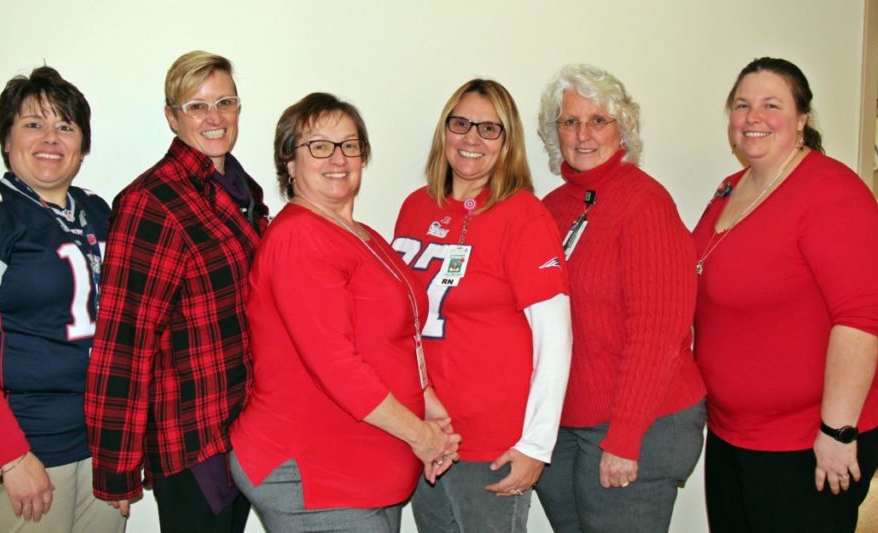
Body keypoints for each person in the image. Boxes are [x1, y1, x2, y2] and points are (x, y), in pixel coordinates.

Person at [228, 92, 460, 533]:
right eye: (318, 146)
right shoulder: (299, 239)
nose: (337, 158)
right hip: (313, 473)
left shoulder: (362, 234)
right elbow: (337, 366)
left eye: (349, 145)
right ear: (290, 164)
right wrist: (419, 436)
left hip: (364, 469)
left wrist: (428, 405)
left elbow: (397, 335)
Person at [692, 57, 878, 532]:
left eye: (771, 104)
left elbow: (861, 319)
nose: (753, 117)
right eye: (742, 105)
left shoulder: (831, 192)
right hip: (733, 431)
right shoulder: (730, 189)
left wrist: (837, 430)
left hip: (808, 436)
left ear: (802, 119)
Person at [0, 66, 124, 533]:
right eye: (33, 123)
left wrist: (123, 443)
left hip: (96, 447)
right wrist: (9, 455)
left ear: (82, 145)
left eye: (65, 126)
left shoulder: (99, 213)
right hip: (22, 447)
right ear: (7, 138)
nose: (51, 138)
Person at [85, 51, 268, 532]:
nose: (215, 118)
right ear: (172, 117)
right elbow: (124, 340)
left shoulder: (241, 190)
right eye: (197, 106)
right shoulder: (152, 202)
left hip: (243, 429)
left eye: (225, 102)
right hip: (190, 440)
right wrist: (116, 469)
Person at [533, 64, 707, 532]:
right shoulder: (550, 208)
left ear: (622, 128)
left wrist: (625, 437)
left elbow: (658, 334)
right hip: (567, 424)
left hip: (640, 424)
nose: (583, 134)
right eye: (570, 122)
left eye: (598, 120)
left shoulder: (646, 205)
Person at [392, 79, 572, 532]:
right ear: (445, 131)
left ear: (507, 142)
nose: (471, 139)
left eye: (489, 129)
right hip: (425, 435)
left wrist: (536, 445)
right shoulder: (415, 207)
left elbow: (556, 338)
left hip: (491, 445)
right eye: (461, 124)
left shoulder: (523, 216)